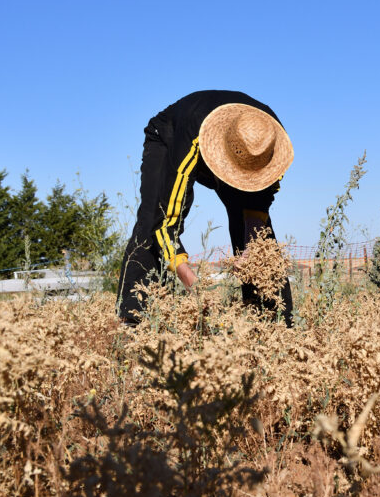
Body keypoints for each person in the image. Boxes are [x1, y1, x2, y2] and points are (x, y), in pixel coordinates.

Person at [117, 90, 294, 324]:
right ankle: (134, 323)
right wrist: (192, 282)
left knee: (260, 240)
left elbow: (258, 204)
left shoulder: (270, 140)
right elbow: (166, 220)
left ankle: (274, 323)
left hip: (237, 149)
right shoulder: (191, 138)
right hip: (171, 137)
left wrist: (252, 250)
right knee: (151, 220)